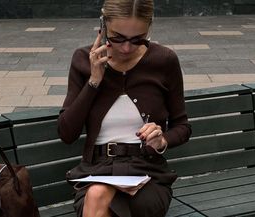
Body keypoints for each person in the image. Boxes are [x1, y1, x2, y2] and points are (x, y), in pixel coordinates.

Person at [57, 0, 191, 216]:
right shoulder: (83, 60)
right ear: (103, 25)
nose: (126, 48)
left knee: (98, 197)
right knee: (98, 193)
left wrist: (162, 140)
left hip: (148, 173)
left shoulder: (164, 61)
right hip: (96, 170)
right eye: (117, 37)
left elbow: (182, 126)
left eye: (138, 39)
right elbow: (66, 133)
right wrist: (94, 80)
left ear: (149, 28)